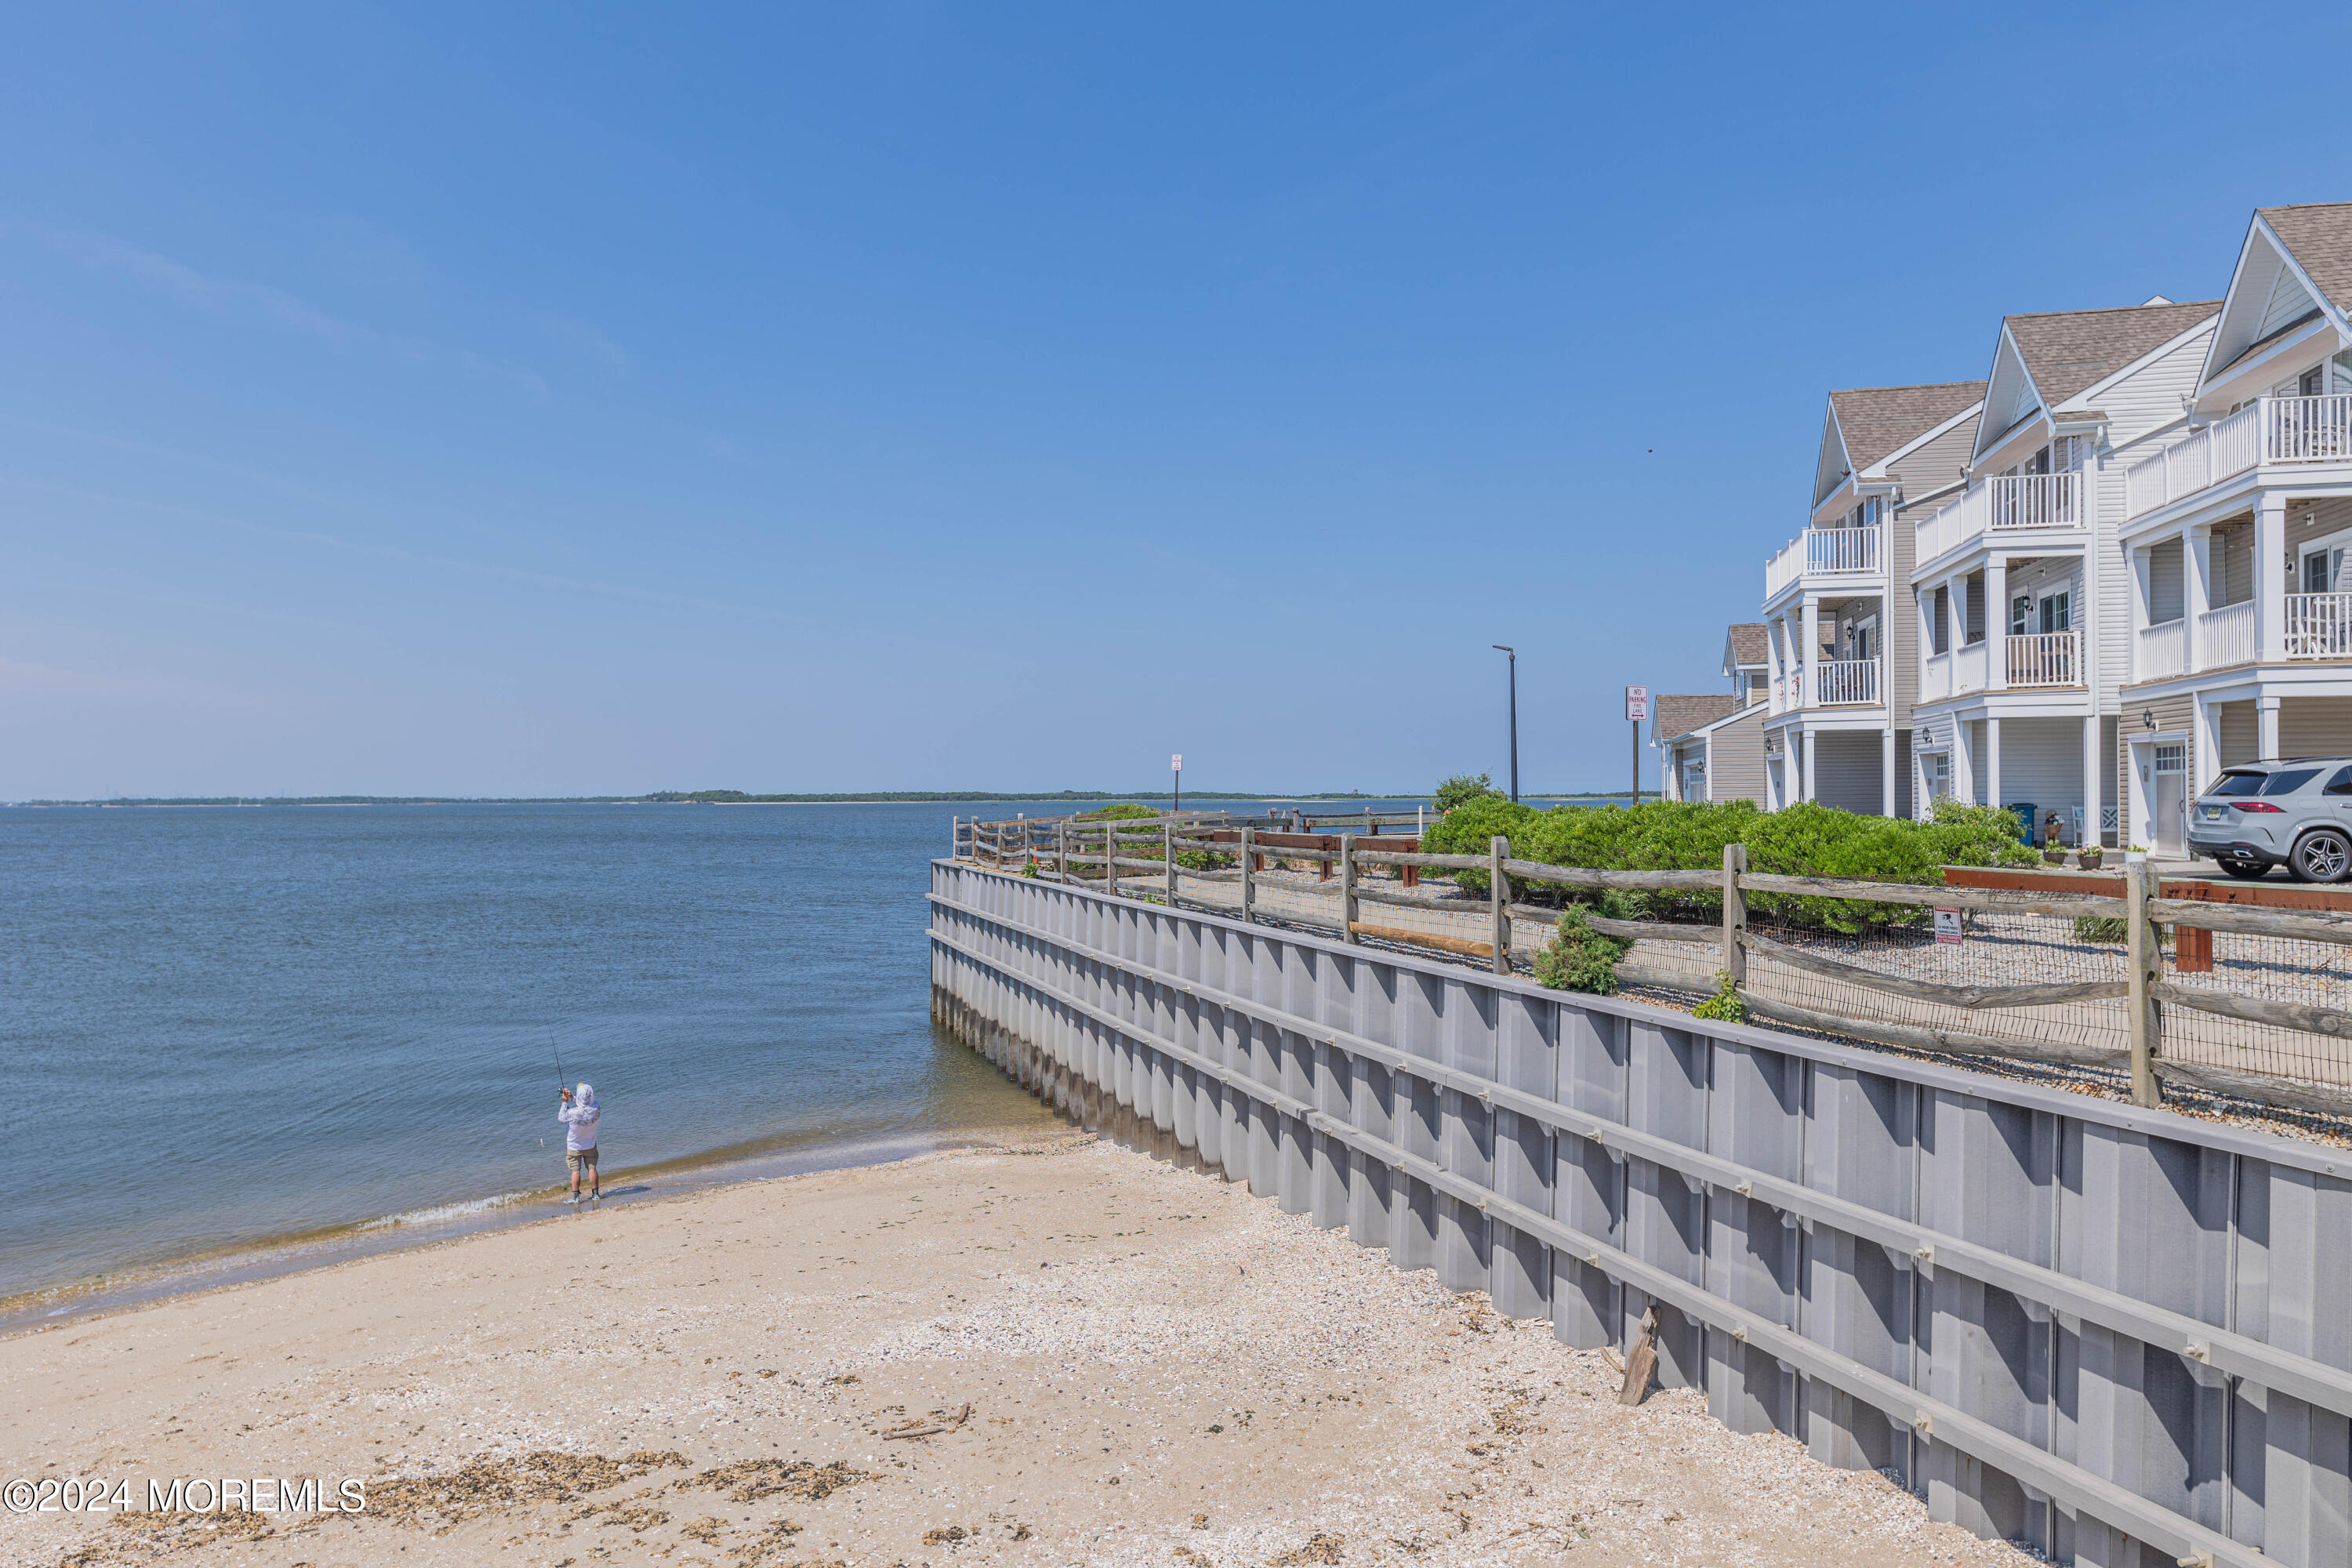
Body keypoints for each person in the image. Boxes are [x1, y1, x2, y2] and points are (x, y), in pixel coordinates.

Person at [557, 1083, 601, 1203]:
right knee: (592, 1169)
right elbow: (585, 1105)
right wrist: (572, 1097)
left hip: (574, 1146)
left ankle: (576, 1197)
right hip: (590, 1145)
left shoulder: (573, 1113)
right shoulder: (596, 1108)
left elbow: (561, 1119)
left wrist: (565, 1102)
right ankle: (595, 1194)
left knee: (575, 1170)